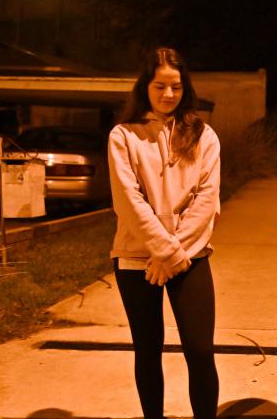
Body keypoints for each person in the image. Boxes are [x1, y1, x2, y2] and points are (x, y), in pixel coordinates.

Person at [108, 47, 221, 419]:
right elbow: (128, 200)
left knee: (201, 350)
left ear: (185, 87)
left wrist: (172, 256)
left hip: (190, 256)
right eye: (160, 86)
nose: (168, 94)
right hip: (135, 258)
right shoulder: (123, 136)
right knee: (148, 348)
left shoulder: (204, 136)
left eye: (175, 86)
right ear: (145, 87)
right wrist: (163, 251)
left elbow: (206, 202)